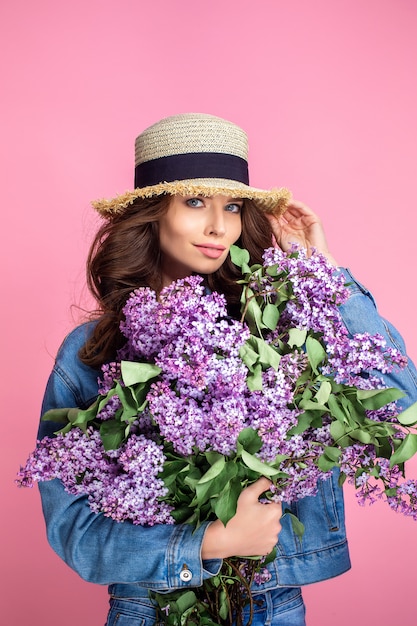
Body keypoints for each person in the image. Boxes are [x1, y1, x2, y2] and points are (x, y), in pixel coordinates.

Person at [37, 113, 417, 626]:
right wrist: (211, 542)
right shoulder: (92, 352)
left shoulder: (277, 329)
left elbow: (403, 406)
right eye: (195, 202)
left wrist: (324, 278)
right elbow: (73, 530)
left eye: (232, 206)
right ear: (151, 214)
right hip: (149, 608)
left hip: (270, 605)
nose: (219, 226)